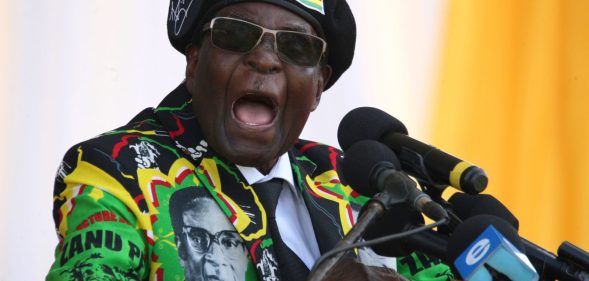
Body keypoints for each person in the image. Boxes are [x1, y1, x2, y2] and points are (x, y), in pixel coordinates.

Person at [47, 0, 454, 280]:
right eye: (237, 35)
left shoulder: (354, 183)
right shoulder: (117, 169)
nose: (264, 59)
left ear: (317, 87)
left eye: (296, 46)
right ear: (194, 62)